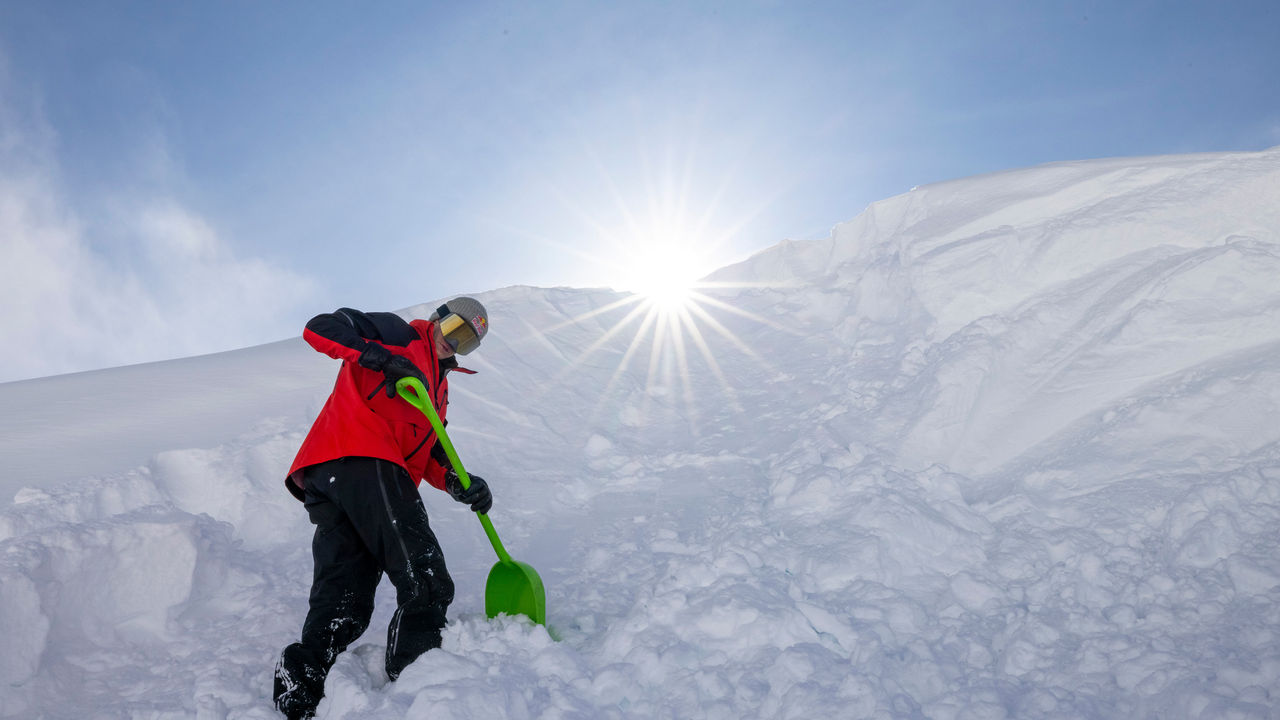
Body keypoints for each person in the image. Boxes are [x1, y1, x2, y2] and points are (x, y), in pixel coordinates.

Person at [273, 298, 494, 720]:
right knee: (424, 571)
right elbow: (320, 327)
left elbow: (433, 452)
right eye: (451, 327)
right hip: (362, 456)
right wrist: (379, 358)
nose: (452, 342)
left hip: (336, 479)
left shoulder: (439, 392)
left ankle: (301, 683)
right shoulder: (400, 334)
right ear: (437, 317)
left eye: (465, 341)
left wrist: (460, 483)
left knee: (346, 600)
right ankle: (419, 676)